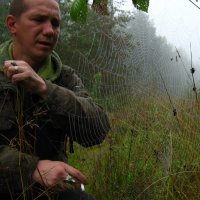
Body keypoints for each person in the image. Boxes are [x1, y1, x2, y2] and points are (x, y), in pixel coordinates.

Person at [0, 0, 110, 199]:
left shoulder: (64, 77)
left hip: (48, 193)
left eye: (55, 23)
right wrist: (32, 169)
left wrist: (45, 88)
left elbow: (97, 131)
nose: (50, 31)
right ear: (12, 25)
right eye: (39, 20)